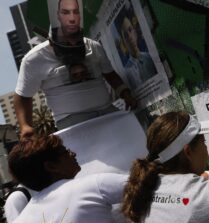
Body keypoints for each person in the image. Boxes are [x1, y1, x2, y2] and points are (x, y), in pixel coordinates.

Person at [14, 0, 136, 138]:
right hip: (71, 122)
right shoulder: (34, 60)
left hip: (107, 111)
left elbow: (110, 75)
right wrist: (25, 126)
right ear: (51, 41)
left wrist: (126, 94)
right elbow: (22, 96)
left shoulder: (93, 46)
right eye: (66, 44)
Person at [7, 135, 128, 223]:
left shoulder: (20, 222)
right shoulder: (91, 186)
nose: (73, 153)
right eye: (65, 152)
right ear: (51, 166)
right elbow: (144, 183)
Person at [120, 16, 157, 90]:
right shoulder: (127, 72)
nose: (130, 37)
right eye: (126, 35)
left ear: (135, 33)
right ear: (124, 42)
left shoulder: (149, 58)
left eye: (130, 30)